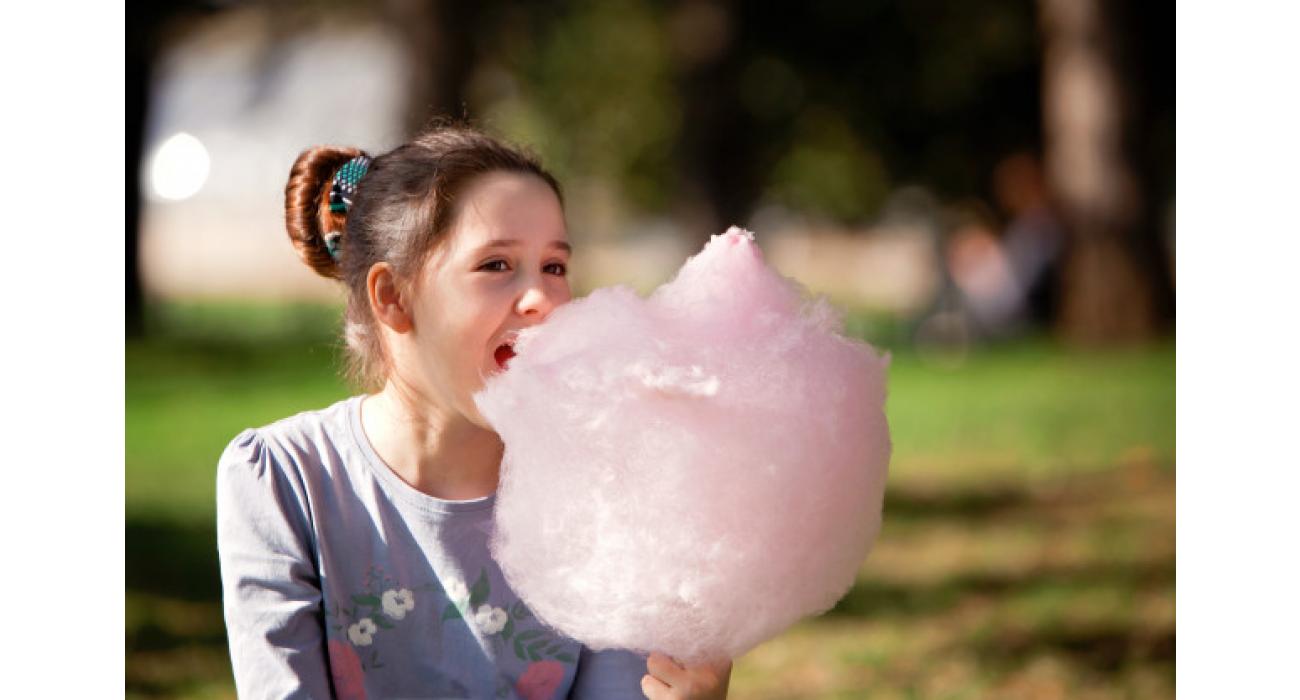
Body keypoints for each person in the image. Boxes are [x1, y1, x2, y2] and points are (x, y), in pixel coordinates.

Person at [216, 123, 732, 699]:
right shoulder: (286, 480)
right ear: (393, 297)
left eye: (555, 267)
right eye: (497, 265)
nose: (541, 299)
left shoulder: (605, 489)